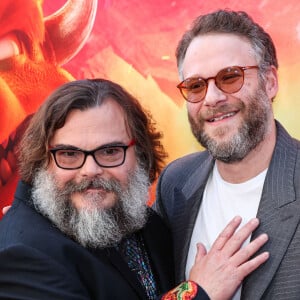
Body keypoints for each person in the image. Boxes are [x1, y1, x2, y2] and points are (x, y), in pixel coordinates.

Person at [0, 78, 270, 299]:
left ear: (141, 155)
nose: (90, 170)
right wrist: (198, 292)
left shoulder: (144, 221)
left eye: (110, 151)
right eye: (69, 154)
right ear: (42, 161)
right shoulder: (21, 255)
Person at [155, 9, 300, 300]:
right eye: (196, 86)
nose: (212, 98)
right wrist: (196, 293)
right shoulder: (175, 183)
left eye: (230, 77)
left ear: (270, 82)